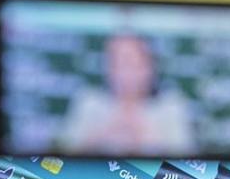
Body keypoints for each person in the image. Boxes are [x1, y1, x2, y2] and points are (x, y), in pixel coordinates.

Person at [56, 33, 195, 156]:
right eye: (116, 63)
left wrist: (141, 130)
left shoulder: (171, 106)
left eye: (133, 64)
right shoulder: (89, 102)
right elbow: (60, 155)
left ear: (149, 68)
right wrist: (106, 130)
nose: (125, 73)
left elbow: (186, 162)